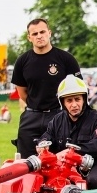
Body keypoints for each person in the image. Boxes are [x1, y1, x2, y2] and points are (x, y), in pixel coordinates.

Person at [11, 18, 81, 158]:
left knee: (60, 160)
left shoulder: (66, 59)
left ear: (49, 33)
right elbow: (22, 92)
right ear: (29, 37)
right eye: (35, 33)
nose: (39, 36)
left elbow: (77, 90)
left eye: (42, 32)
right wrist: (35, 106)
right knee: (26, 162)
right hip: (31, 116)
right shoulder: (22, 61)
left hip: (58, 115)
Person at [37, 76, 97, 189]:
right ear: (62, 102)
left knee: (95, 181)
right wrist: (42, 144)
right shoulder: (57, 119)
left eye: (77, 99)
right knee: (40, 177)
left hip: (96, 164)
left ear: (84, 99)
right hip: (64, 165)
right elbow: (47, 137)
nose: (74, 105)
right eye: (69, 100)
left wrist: (70, 152)